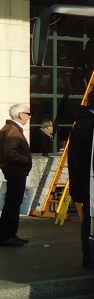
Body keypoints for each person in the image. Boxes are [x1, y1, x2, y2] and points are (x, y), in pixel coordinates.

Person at [67, 99, 94, 267]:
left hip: (88, 182)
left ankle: (92, 256)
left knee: (91, 220)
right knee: (90, 221)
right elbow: (81, 160)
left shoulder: (84, 123)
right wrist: (90, 186)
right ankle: (90, 257)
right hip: (89, 184)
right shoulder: (86, 125)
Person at [0, 103, 33, 246]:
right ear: (20, 115)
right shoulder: (13, 130)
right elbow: (10, 152)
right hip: (16, 172)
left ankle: (9, 234)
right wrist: (25, 160)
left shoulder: (9, 128)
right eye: (28, 113)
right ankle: (7, 236)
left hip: (13, 171)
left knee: (12, 203)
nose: (29, 117)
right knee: (13, 204)